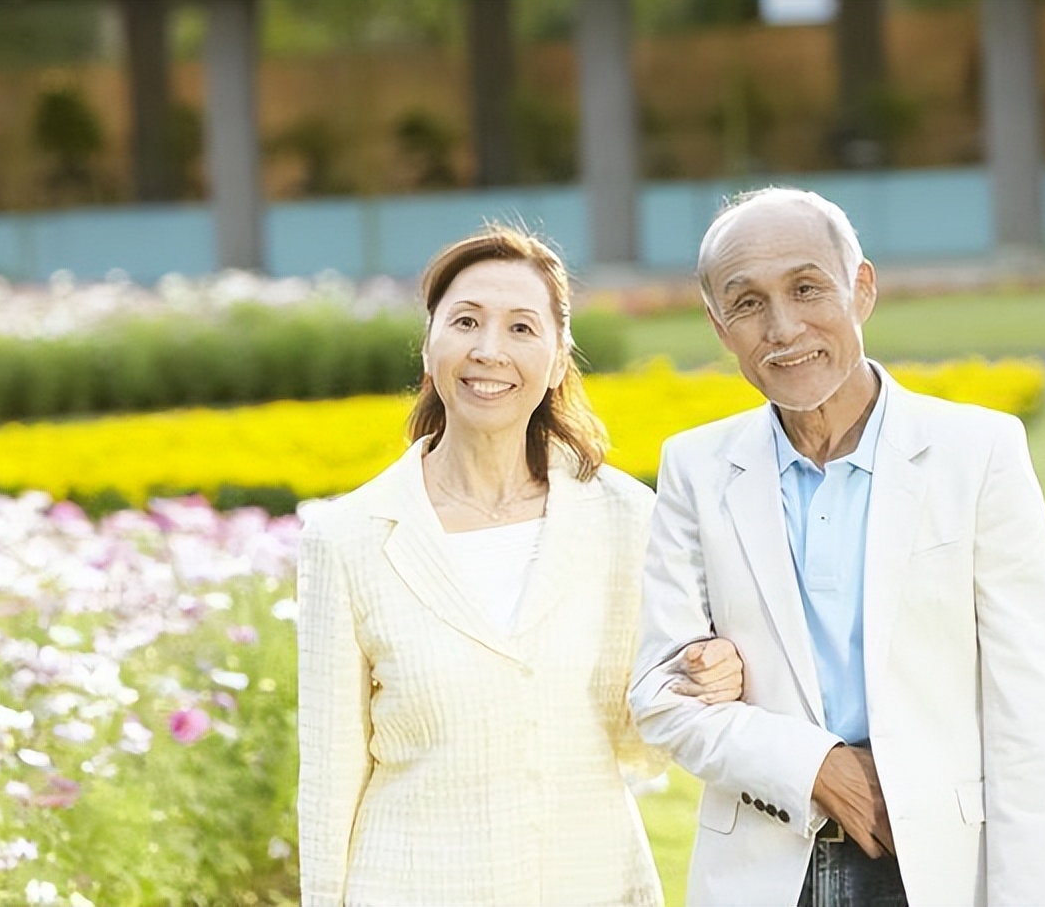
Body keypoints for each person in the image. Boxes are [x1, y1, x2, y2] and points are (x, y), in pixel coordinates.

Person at [629, 187, 1045, 907]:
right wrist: (816, 766)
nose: (783, 327)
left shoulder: (979, 453)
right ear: (719, 326)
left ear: (861, 289)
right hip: (761, 873)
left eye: (808, 288)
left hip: (937, 871)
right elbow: (659, 694)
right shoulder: (696, 467)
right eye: (747, 304)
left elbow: (1029, 712)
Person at [296, 224, 741, 906]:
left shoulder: (626, 518)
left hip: (590, 882)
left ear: (560, 358)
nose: (489, 350)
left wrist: (702, 677)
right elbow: (329, 780)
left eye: (521, 328)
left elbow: (642, 742)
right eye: (466, 321)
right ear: (429, 345)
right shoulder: (347, 536)